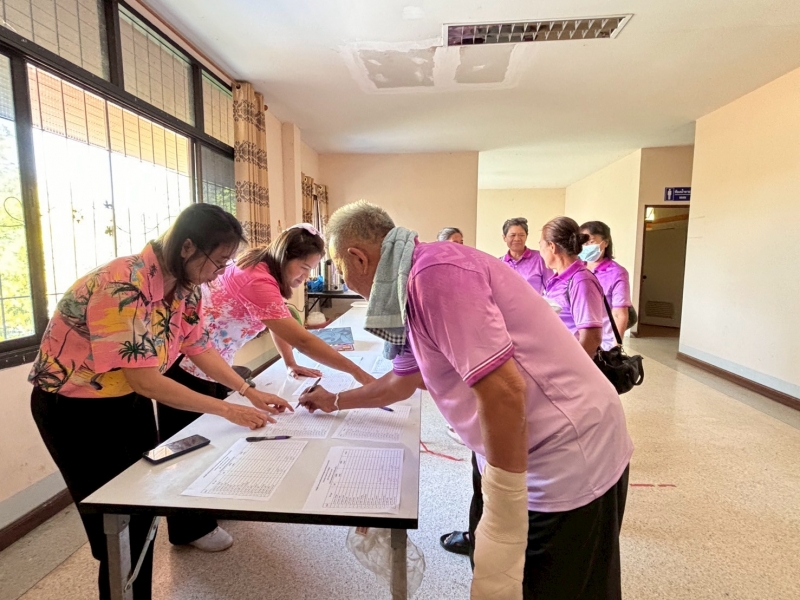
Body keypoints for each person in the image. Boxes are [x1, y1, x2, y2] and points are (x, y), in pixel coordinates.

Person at [300, 201, 633, 600]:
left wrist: (503, 517)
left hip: (565, 449)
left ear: (358, 257)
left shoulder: (434, 273)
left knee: (546, 585)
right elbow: (402, 382)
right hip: (514, 445)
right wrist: (334, 400)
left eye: (340, 268)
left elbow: (504, 392)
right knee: (494, 561)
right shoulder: (409, 284)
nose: (344, 278)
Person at [28, 203, 292, 600]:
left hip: (126, 399)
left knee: (145, 502)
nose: (220, 273)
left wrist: (247, 390)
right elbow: (146, 380)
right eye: (218, 262)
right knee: (116, 523)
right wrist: (227, 409)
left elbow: (198, 346)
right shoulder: (121, 284)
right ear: (188, 247)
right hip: (73, 409)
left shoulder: (186, 288)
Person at [157, 223, 375, 550]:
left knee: (211, 437)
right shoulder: (257, 279)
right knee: (190, 445)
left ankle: (206, 506)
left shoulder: (262, 270)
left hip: (213, 363)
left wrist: (289, 361)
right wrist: (358, 373)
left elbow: (276, 320)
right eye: (304, 268)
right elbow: (301, 337)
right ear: (286, 257)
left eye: (311, 270)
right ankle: (190, 529)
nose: (306, 276)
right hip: (189, 362)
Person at [540, 216, 611, 357]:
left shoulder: (581, 281)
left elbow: (591, 338)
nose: (540, 252)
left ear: (552, 247)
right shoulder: (558, 279)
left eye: (541, 245)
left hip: (570, 364)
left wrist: (570, 367)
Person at [580, 221, 633, 348]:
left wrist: (616, 347)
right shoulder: (577, 269)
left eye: (591, 242)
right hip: (577, 340)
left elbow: (619, 314)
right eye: (583, 242)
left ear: (606, 242)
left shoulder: (617, 273)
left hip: (603, 343)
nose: (586, 246)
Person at [500, 217, 552, 293]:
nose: (517, 239)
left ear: (526, 236)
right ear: (504, 238)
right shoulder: (499, 263)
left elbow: (551, 287)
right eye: (512, 235)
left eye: (521, 235)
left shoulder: (540, 258)